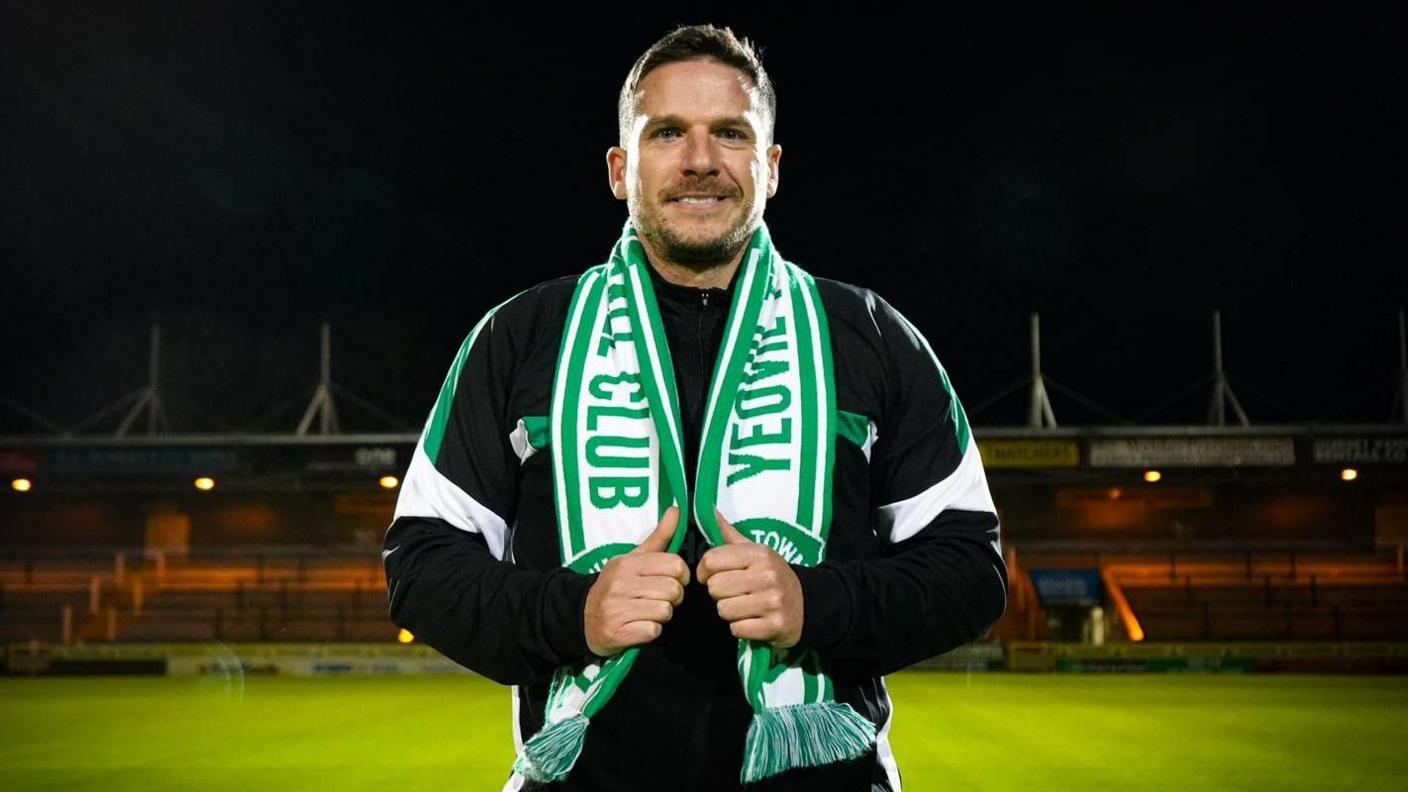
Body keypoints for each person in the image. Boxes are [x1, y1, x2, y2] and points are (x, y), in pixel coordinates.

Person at [382, 24, 1007, 792]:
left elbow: (970, 570)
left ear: (770, 167)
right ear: (620, 169)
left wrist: (817, 604)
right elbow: (421, 565)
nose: (701, 160)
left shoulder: (871, 335)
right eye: (667, 132)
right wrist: (573, 615)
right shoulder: (519, 338)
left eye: (732, 133)